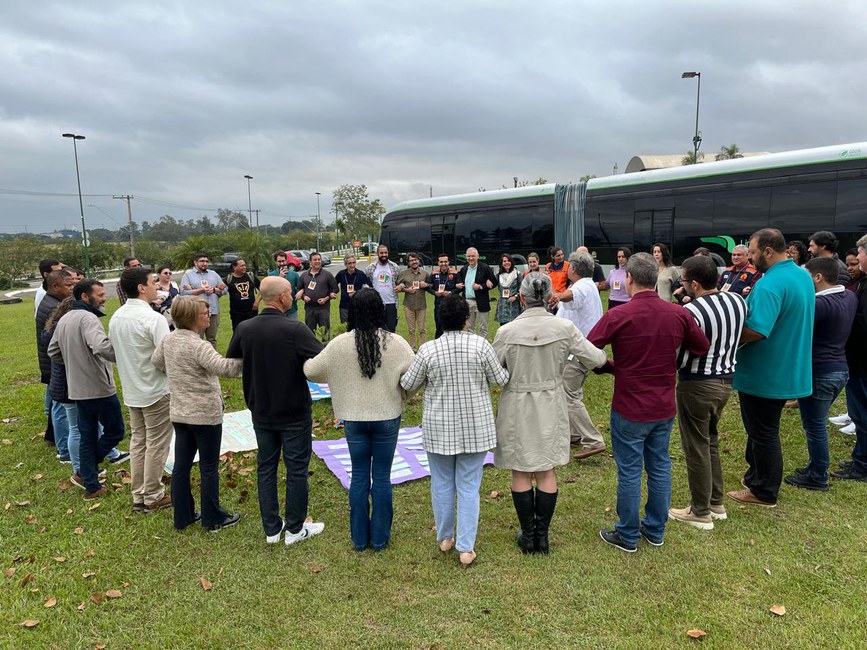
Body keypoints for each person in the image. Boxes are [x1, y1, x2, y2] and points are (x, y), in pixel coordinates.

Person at [588, 253, 710, 552]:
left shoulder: (619, 315)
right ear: (656, 278)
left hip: (630, 406)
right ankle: (655, 530)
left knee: (630, 470)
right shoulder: (678, 313)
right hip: (663, 404)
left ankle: (628, 535)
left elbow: (589, 349)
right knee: (659, 465)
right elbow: (701, 347)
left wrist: (610, 366)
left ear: (628, 278)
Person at [494, 273, 607, 555]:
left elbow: (493, 372)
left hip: (517, 402)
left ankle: (529, 534)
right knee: (546, 469)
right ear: (548, 298)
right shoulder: (564, 328)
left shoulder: (507, 332)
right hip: (550, 401)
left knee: (520, 468)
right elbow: (596, 358)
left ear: (521, 298)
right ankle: (540, 536)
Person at [400, 294, 509, 567]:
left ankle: (446, 538)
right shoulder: (481, 346)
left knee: (442, 482)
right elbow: (500, 379)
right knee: (469, 486)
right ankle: (465, 547)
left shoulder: (427, 350)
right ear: (465, 319)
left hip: (439, 428)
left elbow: (408, 384)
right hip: (475, 427)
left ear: (440, 320)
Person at [305, 288, 415, 551]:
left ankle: (358, 538)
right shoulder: (396, 343)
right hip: (387, 416)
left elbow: (310, 370)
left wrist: (339, 378)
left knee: (359, 475)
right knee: (381, 476)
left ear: (352, 313)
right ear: (381, 311)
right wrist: (404, 394)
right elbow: (413, 378)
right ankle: (379, 539)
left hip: (353, 419)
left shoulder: (339, 345)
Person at [227, 276, 326, 545]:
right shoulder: (295, 329)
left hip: (260, 409)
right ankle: (294, 529)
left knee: (266, 467)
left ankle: (272, 528)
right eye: (291, 293)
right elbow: (321, 360)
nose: (292, 296)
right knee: (296, 469)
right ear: (282, 297)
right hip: (294, 412)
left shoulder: (245, 328)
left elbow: (232, 359)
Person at [729, 228, 815, 507]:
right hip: (787, 367)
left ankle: (764, 491)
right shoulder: (801, 275)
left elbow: (756, 329)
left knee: (763, 432)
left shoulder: (770, 284)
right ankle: (754, 475)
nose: (751, 259)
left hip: (765, 372)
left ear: (768, 250)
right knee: (763, 429)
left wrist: (726, 337)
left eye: (752, 252)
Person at [152, 297, 243, 531]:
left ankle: (183, 516)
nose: (209, 315)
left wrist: (179, 373)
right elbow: (224, 368)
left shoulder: (168, 340)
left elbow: (156, 362)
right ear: (192, 317)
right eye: (205, 312)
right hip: (205, 415)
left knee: (181, 466)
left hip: (180, 413)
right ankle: (213, 518)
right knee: (209, 467)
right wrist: (249, 356)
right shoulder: (199, 345)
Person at [669, 256, 746, 530]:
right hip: (726, 381)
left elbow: (680, 354)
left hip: (698, 383)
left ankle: (700, 511)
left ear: (696, 283)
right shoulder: (738, 301)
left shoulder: (692, 312)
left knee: (696, 446)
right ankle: (716, 502)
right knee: (710, 441)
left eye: (685, 281)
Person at [47, 279, 126, 500]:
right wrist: (124, 357)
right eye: (100, 295)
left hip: (77, 389)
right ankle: (86, 471)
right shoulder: (88, 318)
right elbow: (101, 346)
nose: (104, 298)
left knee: (87, 436)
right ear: (84, 297)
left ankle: (89, 483)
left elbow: (53, 351)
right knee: (116, 431)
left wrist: (75, 362)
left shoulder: (65, 318)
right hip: (99, 388)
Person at [782, 257, 856, 491]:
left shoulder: (819, 305)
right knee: (816, 423)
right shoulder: (849, 297)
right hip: (840, 369)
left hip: (820, 371)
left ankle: (817, 475)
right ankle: (815, 465)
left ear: (818, 277)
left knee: (815, 426)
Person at [109, 267, 174, 513]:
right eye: (152, 282)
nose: (157, 286)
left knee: (139, 442)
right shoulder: (153, 318)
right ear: (141, 288)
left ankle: (140, 494)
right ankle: (153, 495)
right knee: (156, 444)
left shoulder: (117, 316)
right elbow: (164, 357)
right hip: (155, 390)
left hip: (133, 390)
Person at [554, 252, 607, 458]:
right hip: (582, 349)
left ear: (573, 269)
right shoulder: (588, 284)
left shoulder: (582, 286)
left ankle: (592, 440)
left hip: (578, 351)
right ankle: (574, 434)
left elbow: (572, 296)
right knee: (573, 392)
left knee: (568, 394)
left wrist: (558, 295)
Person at [834, 234, 867, 482]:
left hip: (862, 360)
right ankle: (860, 457)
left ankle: (862, 465)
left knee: (863, 414)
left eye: (860, 253)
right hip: (856, 360)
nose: (856, 258)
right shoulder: (862, 282)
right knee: (859, 413)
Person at [36, 269, 74, 461]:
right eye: (69, 285)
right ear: (54, 286)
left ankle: (58, 442)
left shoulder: (54, 302)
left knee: (58, 406)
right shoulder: (53, 307)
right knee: (59, 408)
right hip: (54, 365)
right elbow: (51, 339)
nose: (72, 288)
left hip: (52, 362)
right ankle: (64, 449)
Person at [180, 253, 227, 349]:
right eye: (202, 261)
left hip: (213, 311)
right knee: (197, 338)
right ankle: (198, 361)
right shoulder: (188, 275)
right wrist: (201, 290)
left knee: (212, 338)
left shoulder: (213, 274)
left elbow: (225, 289)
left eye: (206, 261)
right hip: (196, 312)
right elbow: (183, 293)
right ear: (195, 262)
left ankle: (213, 361)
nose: (205, 263)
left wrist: (214, 290)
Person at [296, 252, 338, 342]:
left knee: (325, 333)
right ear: (310, 261)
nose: (317, 261)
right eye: (315, 260)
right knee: (310, 333)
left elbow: (335, 289)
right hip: (309, 309)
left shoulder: (327, 274)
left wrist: (326, 298)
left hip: (323, 309)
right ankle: (312, 351)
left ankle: (326, 349)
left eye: (319, 259)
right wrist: (304, 297)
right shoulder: (304, 275)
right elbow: (299, 289)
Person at [456, 247, 497, 339]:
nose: (470, 258)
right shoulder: (464, 269)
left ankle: (483, 348)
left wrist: (481, 286)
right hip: (467, 301)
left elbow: (494, 282)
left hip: (481, 301)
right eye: (468, 256)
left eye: (473, 256)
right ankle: (472, 347)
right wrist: (458, 285)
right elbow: (459, 280)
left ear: (478, 256)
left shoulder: (484, 267)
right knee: (470, 327)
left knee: (483, 328)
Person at [396, 253, 430, 350]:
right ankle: (413, 349)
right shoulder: (404, 274)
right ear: (408, 262)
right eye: (411, 260)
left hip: (421, 305)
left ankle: (423, 349)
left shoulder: (425, 274)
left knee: (422, 329)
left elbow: (431, 285)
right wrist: (407, 290)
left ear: (419, 260)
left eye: (415, 260)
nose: (414, 262)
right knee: (411, 330)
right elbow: (398, 287)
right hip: (408, 305)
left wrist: (426, 285)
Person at [365, 245, 401, 332]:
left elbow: (401, 281)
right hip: (375, 303)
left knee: (391, 330)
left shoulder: (395, 267)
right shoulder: (370, 268)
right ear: (377, 254)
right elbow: (365, 284)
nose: (384, 254)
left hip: (391, 303)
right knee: (375, 330)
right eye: (381, 253)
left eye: (385, 252)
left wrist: (401, 285)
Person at [428, 253, 459, 338]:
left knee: (453, 328)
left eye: (445, 261)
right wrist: (434, 293)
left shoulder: (455, 273)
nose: (443, 264)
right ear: (438, 263)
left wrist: (450, 293)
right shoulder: (434, 273)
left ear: (448, 262)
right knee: (439, 327)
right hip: (439, 305)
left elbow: (460, 287)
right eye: (441, 262)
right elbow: (428, 286)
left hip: (452, 305)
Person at [335, 253, 372, 326]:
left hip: (358, 306)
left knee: (358, 327)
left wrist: (358, 292)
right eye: (349, 263)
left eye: (353, 263)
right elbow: (333, 285)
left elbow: (370, 286)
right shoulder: (341, 274)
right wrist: (333, 292)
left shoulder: (360, 274)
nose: (352, 265)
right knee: (345, 328)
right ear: (346, 264)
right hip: (344, 306)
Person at [225, 258, 260, 331]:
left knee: (253, 331)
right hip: (236, 313)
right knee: (238, 332)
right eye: (242, 266)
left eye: (245, 265)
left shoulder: (251, 276)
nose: (244, 267)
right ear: (234, 267)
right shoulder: (229, 279)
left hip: (251, 312)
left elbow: (263, 289)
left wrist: (257, 301)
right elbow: (220, 289)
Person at [268, 251, 301, 320]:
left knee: (293, 330)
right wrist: (280, 278)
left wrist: (300, 292)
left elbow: (300, 288)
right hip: (277, 311)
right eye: (279, 261)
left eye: (283, 261)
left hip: (292, 310)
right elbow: (270, 292)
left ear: (286, 260)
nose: (282, 263)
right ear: (275, 262)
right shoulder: (271, 275)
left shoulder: (294, 274)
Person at [495, 253, 522, 326]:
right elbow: (491, 284)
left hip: (514, 305)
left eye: (508, 260)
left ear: (511, 262)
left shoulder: (517, 274)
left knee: (514, 327)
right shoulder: (499, 275)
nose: (506, 263)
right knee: (503, 327)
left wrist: (515, 296)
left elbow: (522, 289)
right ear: (501, 263)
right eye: (504, 261)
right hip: (503, 306)